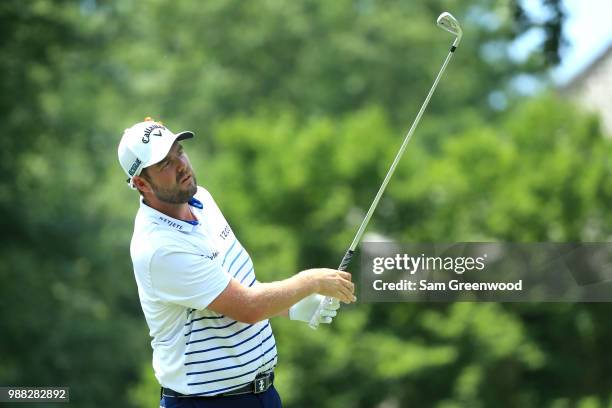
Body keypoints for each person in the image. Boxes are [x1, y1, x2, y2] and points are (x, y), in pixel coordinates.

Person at [117, 118, 356, 408]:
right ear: (142, 183)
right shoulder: (159, 248)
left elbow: (235, 287)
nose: (180, 165)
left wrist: (291, 307)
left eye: (178, 151)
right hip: (206, 402)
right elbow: (248, 307)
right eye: (164, 164)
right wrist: (310, 282)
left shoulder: (201, 199)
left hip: (263, 394)